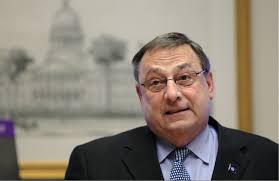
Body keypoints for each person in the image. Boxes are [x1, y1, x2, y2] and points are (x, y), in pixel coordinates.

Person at [65, 32, 278, 180]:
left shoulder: (268, 158)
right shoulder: (93, 164)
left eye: (184, 77)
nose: (172, 94)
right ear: (140, 95)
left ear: (209, 84)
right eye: (156, 82)